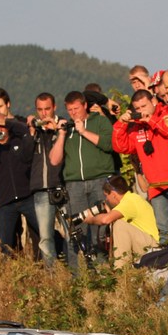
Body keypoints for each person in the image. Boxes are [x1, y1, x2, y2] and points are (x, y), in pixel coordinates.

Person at [50, 90, 116, 265]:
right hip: (75, 186)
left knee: (100, 231)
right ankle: (78, 277)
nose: (73, 113)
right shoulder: (68, 129)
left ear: (85, 105)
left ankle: (102, 272)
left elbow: (110, 145)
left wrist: (84, 131)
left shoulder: (100, 121)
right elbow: (54, 160)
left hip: (99, 182)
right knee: (77, 231)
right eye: (70, 110)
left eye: (76, 109)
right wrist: (62, 135)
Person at [113, 89, 168, 238]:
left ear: (153, 102)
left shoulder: (166, 113)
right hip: (155, 186)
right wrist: (121, 123)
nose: (140, 111)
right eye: (137, 108)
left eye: (144, 106)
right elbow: (121, 147)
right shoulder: (135, 128)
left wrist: (150, 120)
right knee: (164, 230)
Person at [0, 114, 38, 252]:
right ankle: (9, 269)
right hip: (5, 203)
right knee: (5, 244)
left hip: (28, 197)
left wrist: (8, 122)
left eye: (2, 125)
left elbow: (26, 132)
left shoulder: (18, 141)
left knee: (43, 232)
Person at [75, 174, 160, 268]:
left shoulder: (129, 201)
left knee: (119, 225)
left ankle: (121, 271)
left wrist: (90, 219)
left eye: (106, 196)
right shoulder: (132, 199)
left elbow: (105, 219)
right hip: (147, 243)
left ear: (114, 194)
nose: (106, 199)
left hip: (152, 247)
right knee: (117, 225)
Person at [28, 93, 66, 265]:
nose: (44, 114)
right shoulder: (33, 130)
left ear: (55, 107)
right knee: (45, 238)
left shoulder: (64, 126)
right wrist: (30, 133)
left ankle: (78, 271)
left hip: (62, 186)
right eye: (40, 110)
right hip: (41, 190)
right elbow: (23, 157)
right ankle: (52, 277)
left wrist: (57, 130)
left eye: (47, 109)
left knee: (71, 230)